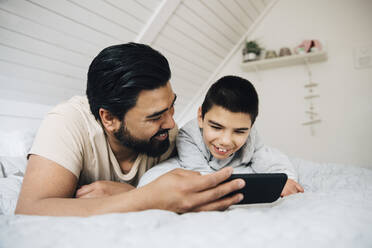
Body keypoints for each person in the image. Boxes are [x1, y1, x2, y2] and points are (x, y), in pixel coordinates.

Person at [15, 43, 245, 216]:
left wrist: (129, 193)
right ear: (109, 118)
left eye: (171, 107)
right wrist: (143, 198)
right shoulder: (67, 121)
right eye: (155, 117)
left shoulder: (172, 136)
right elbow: (30, 209)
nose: (171, 124)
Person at [146, 75, 303, 197]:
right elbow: (199, 174)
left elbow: (267, 157)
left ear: (251, 127)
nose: (226, 141)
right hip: (200, 167)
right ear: (201, 117)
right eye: (216, 127)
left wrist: (285, 180)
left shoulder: (251, 135)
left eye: (240, 131)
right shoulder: (188, 135)